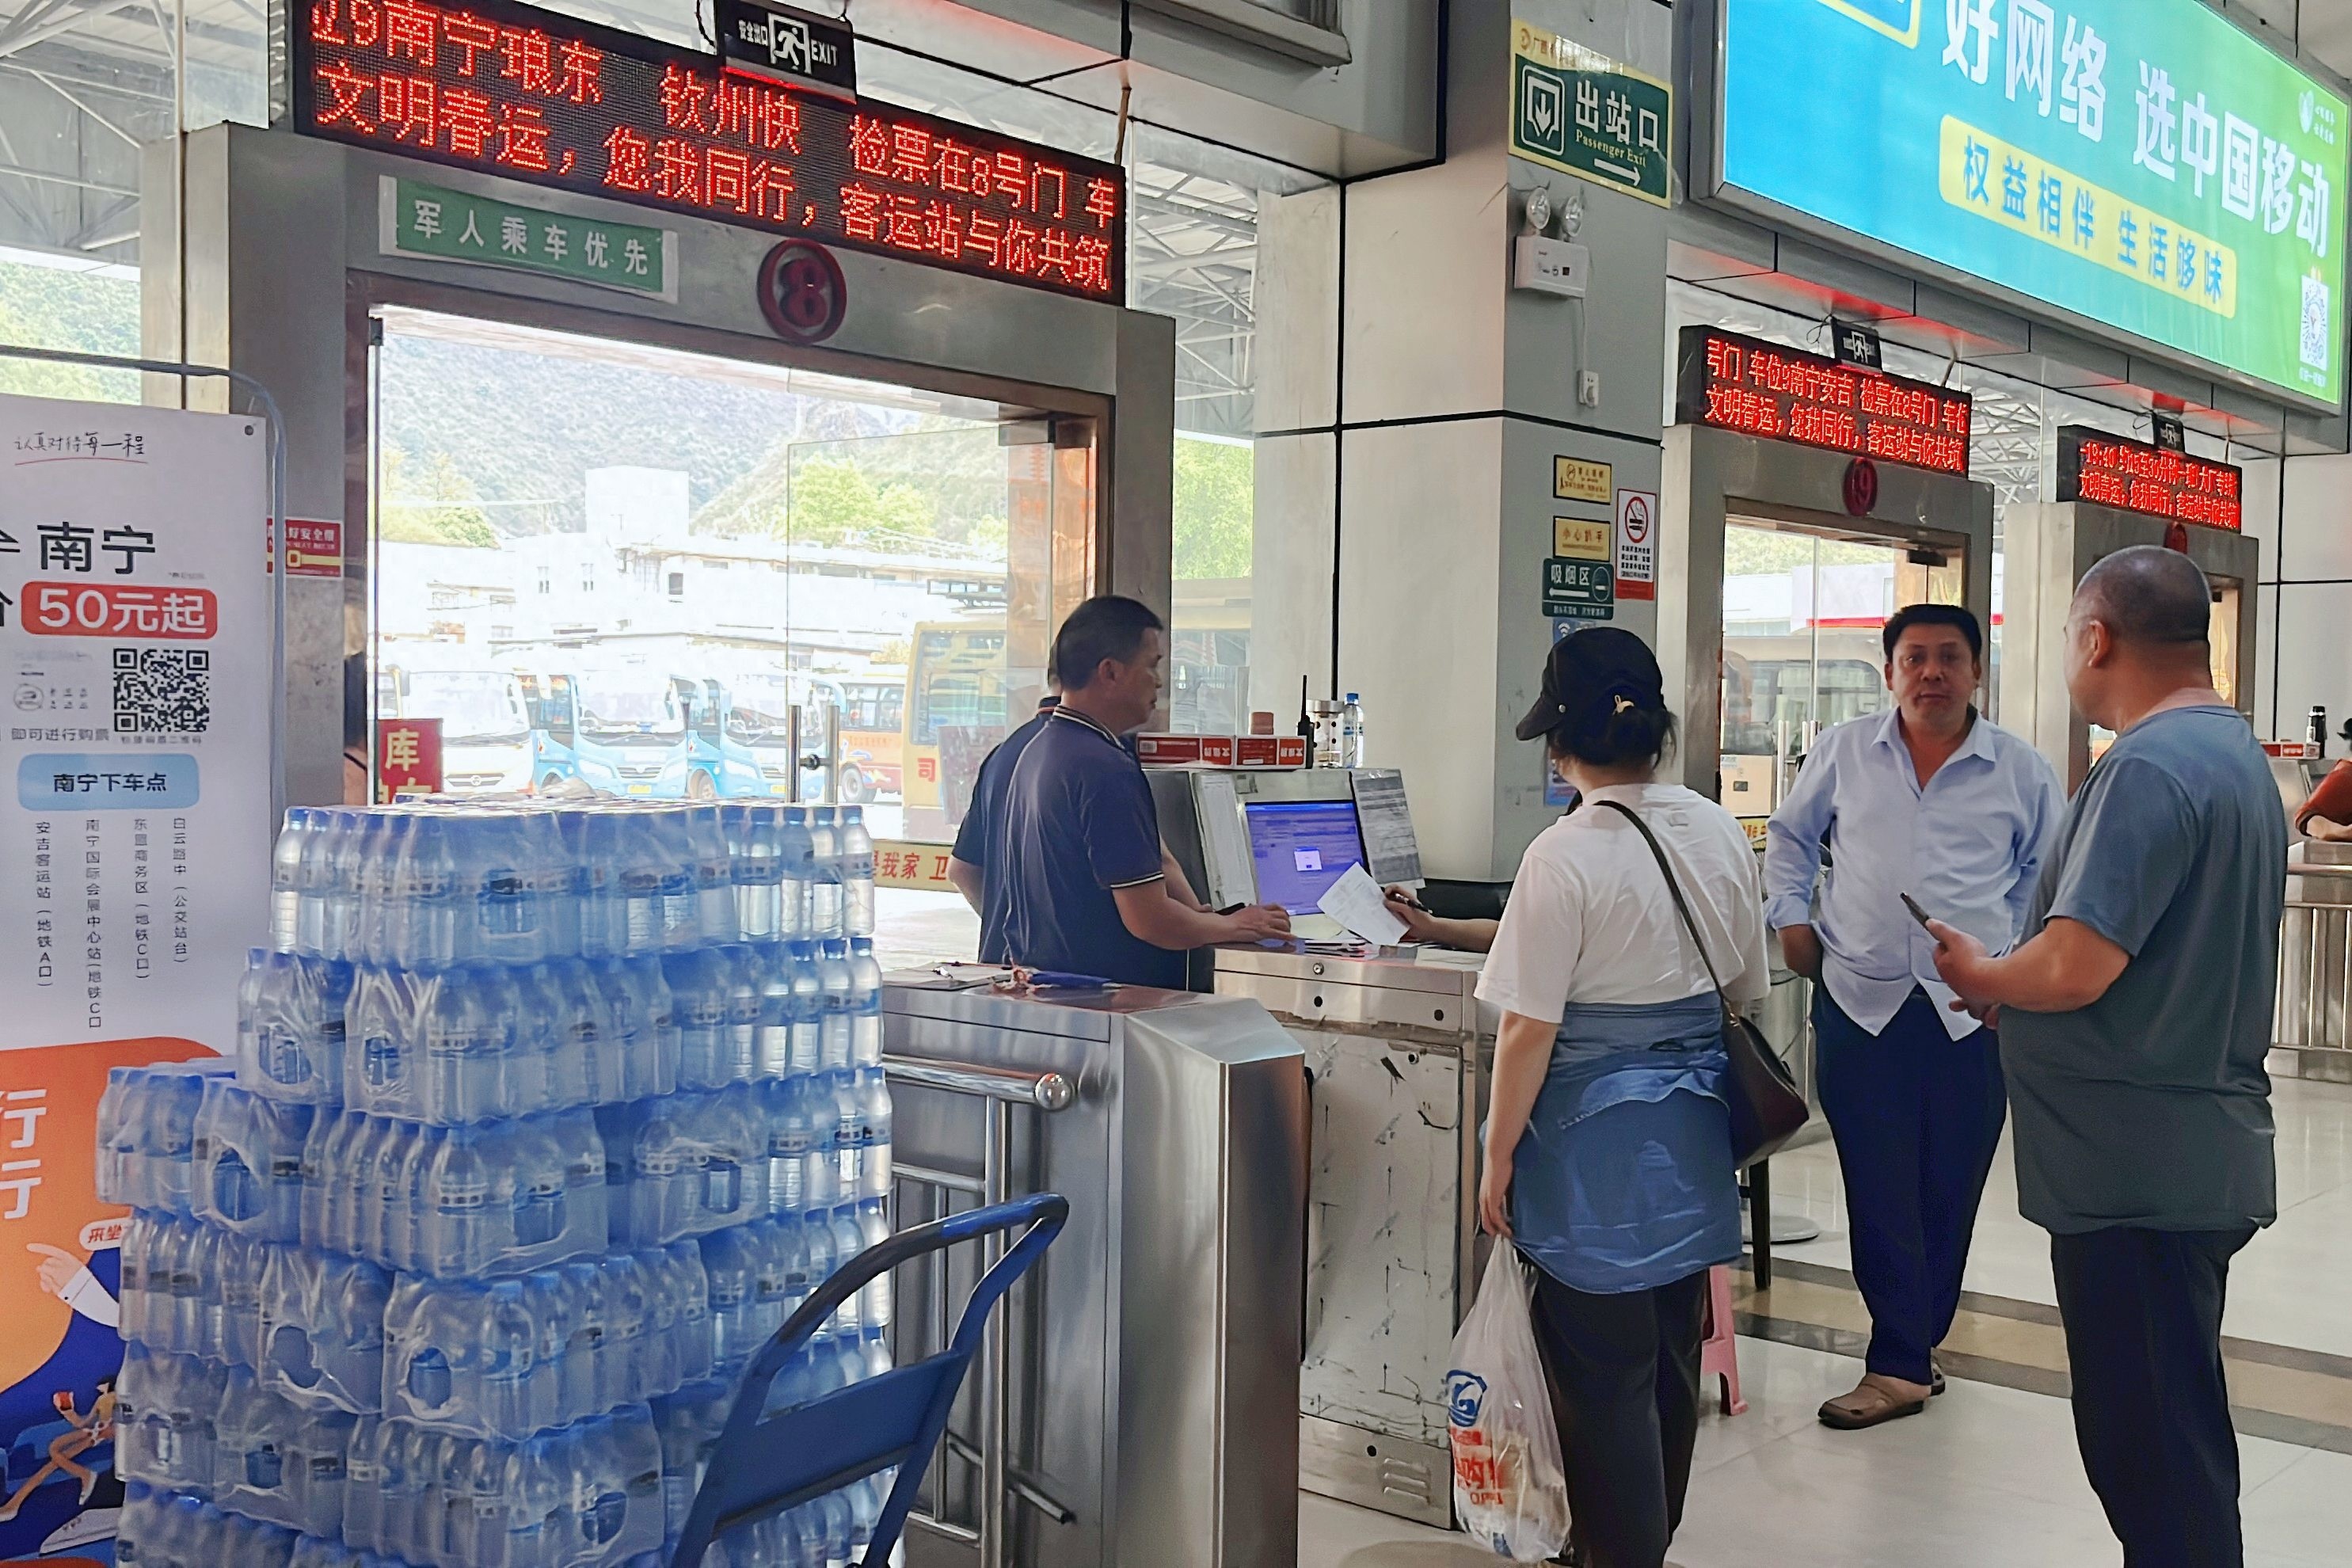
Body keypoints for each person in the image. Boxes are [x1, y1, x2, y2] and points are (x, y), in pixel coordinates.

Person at [1931, 546, 2284, 1568]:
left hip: (2136, 1176)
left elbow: (2079, 962)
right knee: (2172, 1434)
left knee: (2154, 1457)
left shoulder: (2145, 768)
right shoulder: (2228, 753)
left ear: (2095, 639)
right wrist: (2020, 996)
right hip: (2184, 1153)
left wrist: (1984, 971)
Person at [1476, 627, 1768, 1568]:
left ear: (1560, 744)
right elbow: (1747, 984)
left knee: (1601, 1383)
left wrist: (1496, 1154)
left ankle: (1623, 1554)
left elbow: (1527, 1029)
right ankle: (1649, 1540)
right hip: (1691, 1143)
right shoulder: (1716, 829)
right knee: (1669, 1367)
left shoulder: (1563, 854)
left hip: (1585, 1157)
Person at [1763, 604, 2062, 1430]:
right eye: (1916, 658)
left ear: (1977, 672)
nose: (1932, 673)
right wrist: (1790, 918)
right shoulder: (1844, 752)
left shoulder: (2021, 770)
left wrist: (2009, 956)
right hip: (1861, 1003)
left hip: (1973, 1011)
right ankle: (1898, 1358)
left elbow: (2047, 875)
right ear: (1890, 670)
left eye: (1950, 657)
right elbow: (1790, 839)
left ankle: (1916, 1338)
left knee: (1950, 1184)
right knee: (1876, 1181)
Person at [999, 596, 1288, 985]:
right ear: (1110, 672)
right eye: (1152, 665)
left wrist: (1201, 917)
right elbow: (1150, 920)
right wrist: (1238, 926)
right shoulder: (1103, 768)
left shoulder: (1040, 750)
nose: (1159, 681)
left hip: (1047, 989)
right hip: (1102, 999)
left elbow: (1157, 859)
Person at [946, 674, 1061, 962]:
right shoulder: (1097, 757)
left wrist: (1006, 927)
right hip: (1064, 976)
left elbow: (962, 870)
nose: (1157, 682)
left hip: (1000, 967)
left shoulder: (1004, 752)